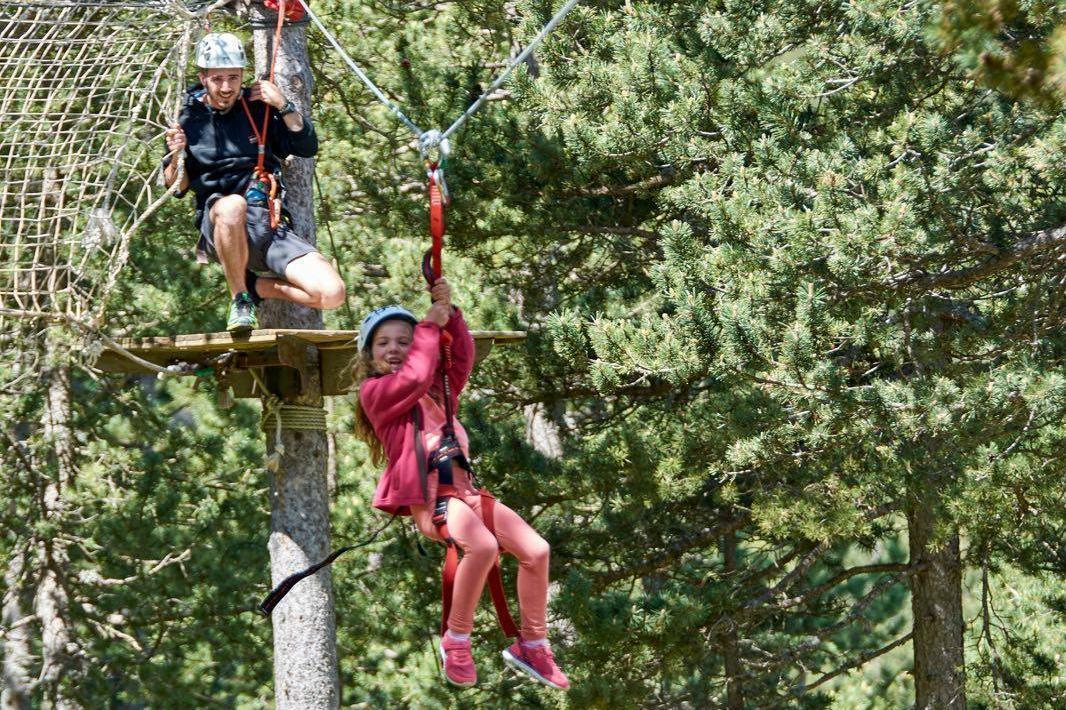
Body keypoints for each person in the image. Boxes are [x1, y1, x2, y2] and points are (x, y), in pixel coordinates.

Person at [353, 279, 570, 690]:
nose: (395, 349)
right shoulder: (377, 393)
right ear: (369, 355)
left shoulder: (436, 391)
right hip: (433, 498)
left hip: (466, 492)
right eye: (384, 344)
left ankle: (535, 644)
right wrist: (428, 329)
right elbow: (413, 377)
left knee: (536, 550)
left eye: (404, 340)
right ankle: (456, 639)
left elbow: (461, 359)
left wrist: (449, 314)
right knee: (484, 547)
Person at [162, 32, 345, 333]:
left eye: (233, 78)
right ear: (202, 76)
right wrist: (177, 154)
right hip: (219, 222)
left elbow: (306, 146)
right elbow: (176, 187)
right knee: (233, 206)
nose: (226, 88)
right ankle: (240, 299)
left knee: (332, 293)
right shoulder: (187, 117)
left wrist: (283, 104)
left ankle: (257, 287)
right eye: (217, 79)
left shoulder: (256, 108)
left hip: (266, 224)